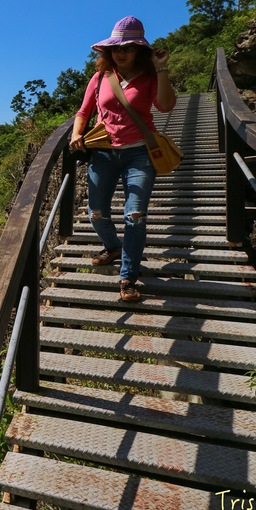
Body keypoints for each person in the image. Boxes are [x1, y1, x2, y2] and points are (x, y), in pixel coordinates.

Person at [69, 16, 176, 302]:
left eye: (129, 47)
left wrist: (162, 68)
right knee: (96, 213)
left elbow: (165, 106)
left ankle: (128, 277)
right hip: (103, 151)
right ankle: (112, 246)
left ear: (139, 50)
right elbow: (83, 111)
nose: (121, 52)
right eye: (116, 48)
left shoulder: (151, 76)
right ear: (108, 51)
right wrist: (77, 133)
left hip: (140, 152)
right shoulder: (101, 77)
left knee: (135, 216)